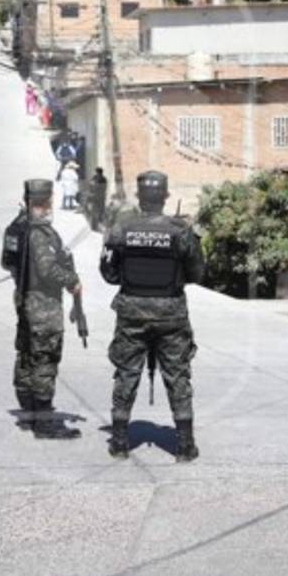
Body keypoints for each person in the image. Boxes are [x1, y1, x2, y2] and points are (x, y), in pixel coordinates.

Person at [100, 171, 205, 462]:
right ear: (166, 197)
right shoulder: (180, 231)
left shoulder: (121, 229)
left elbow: (108, 273)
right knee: (178, 375)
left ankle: (119, 443)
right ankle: (184, 446)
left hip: (131, 313)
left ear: (139, 197)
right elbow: (197, 273)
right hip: (171, 314)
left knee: (126, 373)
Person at [7, 179, 83, 440]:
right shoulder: (39, 233)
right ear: (47, 201)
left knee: (27, 354)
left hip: (24, 299)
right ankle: (43, 422)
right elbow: (47, 269)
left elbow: (8, 261)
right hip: (42, 305)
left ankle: (29, 411)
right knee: (44, 359)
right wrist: (71, 281)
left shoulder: (18, 228)